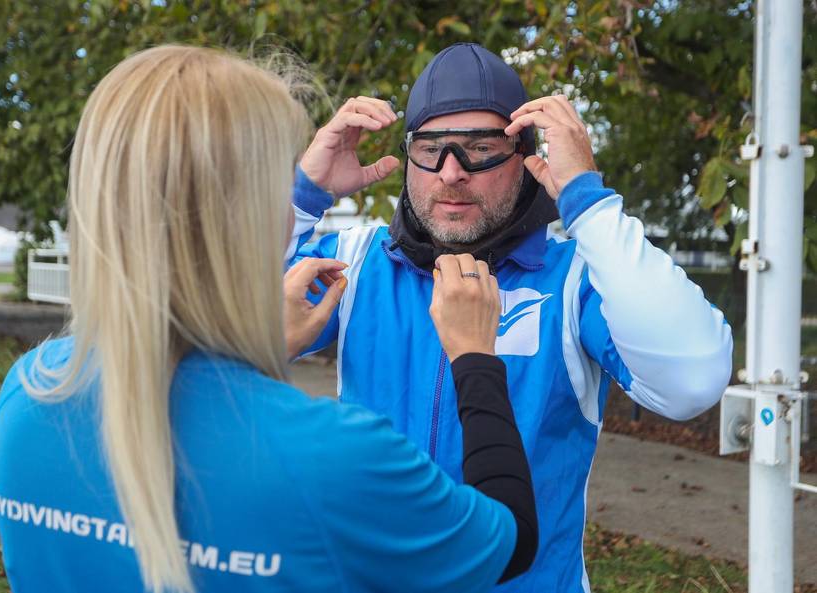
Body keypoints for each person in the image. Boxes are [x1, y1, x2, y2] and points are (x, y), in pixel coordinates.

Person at [0, 45, 538, 593]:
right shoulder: (331, 457)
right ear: (247, 216)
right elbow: (508, 540)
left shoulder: (28, 393)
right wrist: (474, 356)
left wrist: (252, 350)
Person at [290, 42, 734, 592]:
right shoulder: (357, 261)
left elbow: (692, 379)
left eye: (481, 148)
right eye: (431, 148)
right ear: (407, 156)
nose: (452, 172)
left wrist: (586, 201)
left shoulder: (574, 278)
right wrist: (302, 197)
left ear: (527, 157)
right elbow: (212, 318)